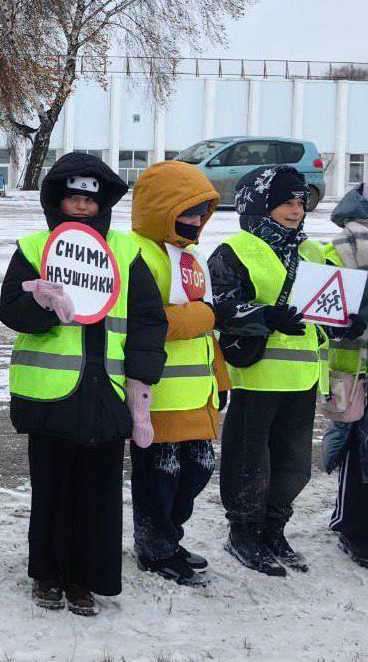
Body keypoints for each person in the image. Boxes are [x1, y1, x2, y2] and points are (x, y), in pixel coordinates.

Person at [0, 152, 166, 617]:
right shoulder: (33, 247)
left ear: (103, 204)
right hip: (50, 396)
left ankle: (84, 580)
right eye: (72, 198)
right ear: (56, 201)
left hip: (106, 394)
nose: (81, 207)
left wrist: (142, 380)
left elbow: (148, 320)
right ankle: (47, 575)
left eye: (90, 200)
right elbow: (12, 311)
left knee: (98, 495)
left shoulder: (127, 252)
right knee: (51, 490)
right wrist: (39, 302)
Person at [210, 164, 362, 576]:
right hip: (256, 377)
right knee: (250, 461)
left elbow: (329, 309)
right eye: (286, 203)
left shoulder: (312, 251)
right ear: (260, 204)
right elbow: (220, 307)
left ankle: (274, 528)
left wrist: (346, 322)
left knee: (293, 464)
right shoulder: (235, 249)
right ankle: (244, 532)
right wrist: (265, 316)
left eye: (300, 203)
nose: (296, 211)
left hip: (303, 377)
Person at [127, 161, 227, 587]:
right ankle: (155, 548)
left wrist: (221, 379)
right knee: (160, 477)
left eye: (202, 212)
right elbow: (144, 321)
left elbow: (207, 331)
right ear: (161, 208)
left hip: (197, 394)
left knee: (199, 468)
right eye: (188, 211)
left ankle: (169, 536)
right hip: (157, 393)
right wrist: (205, 314)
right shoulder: (135, 253)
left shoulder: (192, 257)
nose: (197, 221)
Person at [324, 181, 368, 569]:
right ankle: (354, 528)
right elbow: (329, 305)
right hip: (358, 368)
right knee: (360, 448)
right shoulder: (344, 244)